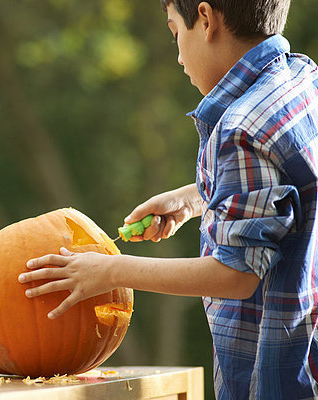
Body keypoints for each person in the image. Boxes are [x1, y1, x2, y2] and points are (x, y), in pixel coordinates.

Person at [17, 0, 318, 398]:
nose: (178, 57)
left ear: (206, 20)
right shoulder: (301, 79)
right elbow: (291, 188)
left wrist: (110, 271)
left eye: (176, 33)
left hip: (276, 378)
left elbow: (236, 275)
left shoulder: (240, 127)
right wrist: (195, 198)